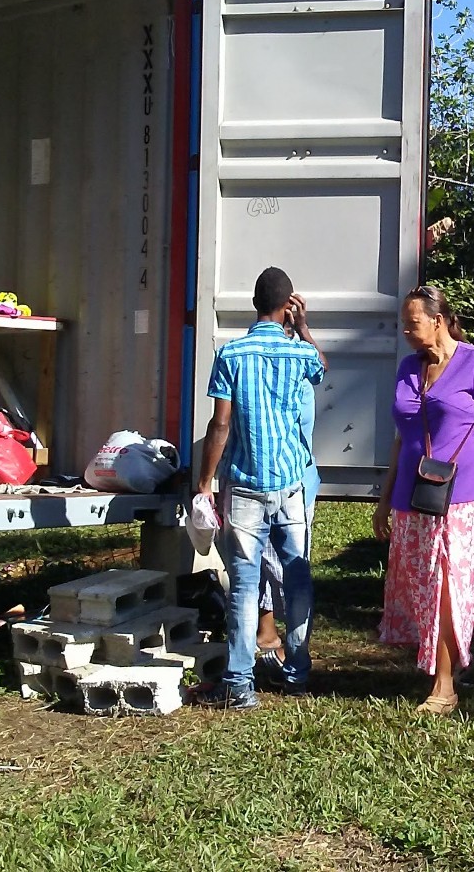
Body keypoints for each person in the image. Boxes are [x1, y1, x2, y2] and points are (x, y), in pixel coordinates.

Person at [374, 286, 474, 716]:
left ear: (438, 321)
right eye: (403, 324)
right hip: (414, 492)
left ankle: (444, 685)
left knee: (448, 583)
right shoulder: (408, 368)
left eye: (412, 323)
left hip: (466, 492)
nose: (405, 331)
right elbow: (401, 439)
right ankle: (444, 663)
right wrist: (384, 498)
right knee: (424, 582)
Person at [194, 267, 327, 710]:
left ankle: (239, 683)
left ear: (254, 303)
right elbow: (322, 367)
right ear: (288, 305)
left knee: (244, 585)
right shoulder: (299, 352)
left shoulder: (231, 353)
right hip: (290, 487)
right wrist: (303, 327)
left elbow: (220, 424)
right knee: (297, 579)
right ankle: (298, 673)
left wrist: (205, 482)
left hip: (244, 486)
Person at [254, 322, 322, 683]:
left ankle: (293, 656)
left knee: (284, 569)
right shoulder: (299, 366)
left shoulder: (294, 374)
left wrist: (302, 329)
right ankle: (270, 637)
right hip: (281, 481)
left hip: (291, 483)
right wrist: (303, 330)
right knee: (267, 564)